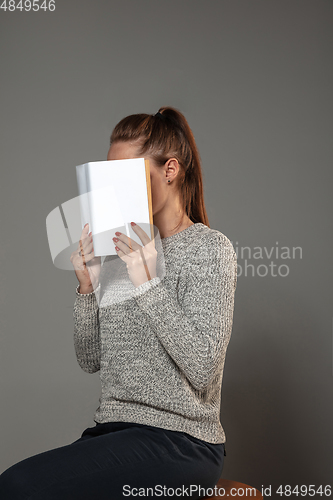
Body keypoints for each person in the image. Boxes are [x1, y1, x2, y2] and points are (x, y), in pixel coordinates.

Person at [0, 107, 238, 499]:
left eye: (126, 176)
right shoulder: (117, 253)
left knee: (18, 487)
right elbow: (90, 359)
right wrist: (87, 289)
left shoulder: (209, 249)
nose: (114, 190)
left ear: (170, 170)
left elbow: (204, 370)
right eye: (108, 177)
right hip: (112, 432)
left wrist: (147, 282)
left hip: (182, 441)